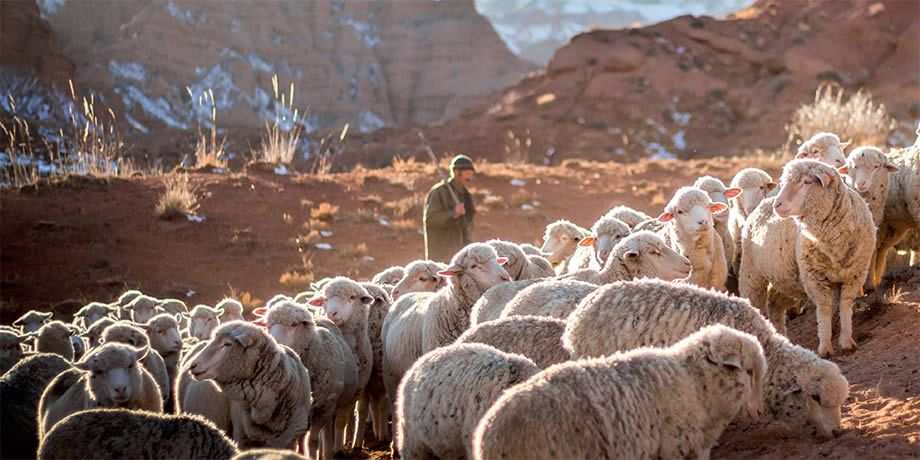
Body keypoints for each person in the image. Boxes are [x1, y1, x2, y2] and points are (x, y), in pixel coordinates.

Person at [423, 154, 477, 262]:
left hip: (461, 255)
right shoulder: (439, 192)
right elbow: (430, 219)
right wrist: (453, 213)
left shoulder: (467, 196)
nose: (470, 178)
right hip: (441, 255)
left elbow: (468, 224)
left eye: (471, 175)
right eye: (467, 174)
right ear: (457, 172)